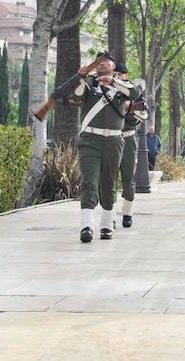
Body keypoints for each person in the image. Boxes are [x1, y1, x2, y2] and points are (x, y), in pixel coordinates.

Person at [69, 52, 136, 243]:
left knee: (108, 183)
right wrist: (81, 77)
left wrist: (113, 82)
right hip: (90, 140)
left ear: (113, 67)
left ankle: (106, 226)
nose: (101, 65)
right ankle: (86, 226)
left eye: (105, 62)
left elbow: (134, 93)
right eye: (98, 63)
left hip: (114, 142)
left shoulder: (121, 87)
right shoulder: (89, 85)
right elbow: (76, 95)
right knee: (89, 182)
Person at [114, 62, 147, 229]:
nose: (117, 77)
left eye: (120, 74)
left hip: (127, 139)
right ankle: (109, 214)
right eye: (115, 74)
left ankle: (127, 213)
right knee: (109, 179)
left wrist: (128, 112)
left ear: (125, 76)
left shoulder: (133, 95)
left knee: (128, 179)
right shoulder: (109, 93)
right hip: (111, 140)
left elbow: (139, 117)